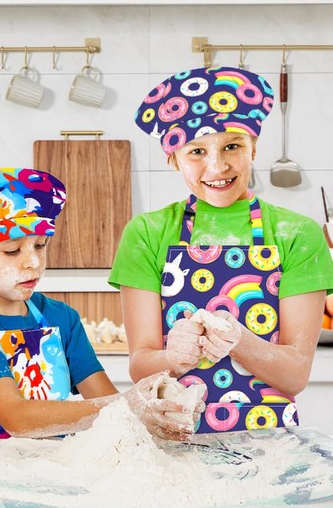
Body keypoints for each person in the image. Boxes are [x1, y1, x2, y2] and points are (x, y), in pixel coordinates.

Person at [110, 65, 333, 433]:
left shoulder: (297, 233)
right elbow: (140, 366)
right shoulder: (146, 233)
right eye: (197, 151)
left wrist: (239, 341)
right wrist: (173, 358)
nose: (217, 166)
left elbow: (294, 376)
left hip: (269, 444)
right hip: (174, 441)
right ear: (173, 158)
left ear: (254, 148)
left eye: (232, 146)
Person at [0, 167, 197, 440]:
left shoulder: (62, 318)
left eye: (40, 245)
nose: (33, 262)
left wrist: (156, 410)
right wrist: (129, 406)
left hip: (54, 465)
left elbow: (105, 400)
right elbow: (17, 419)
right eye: (12, 250)